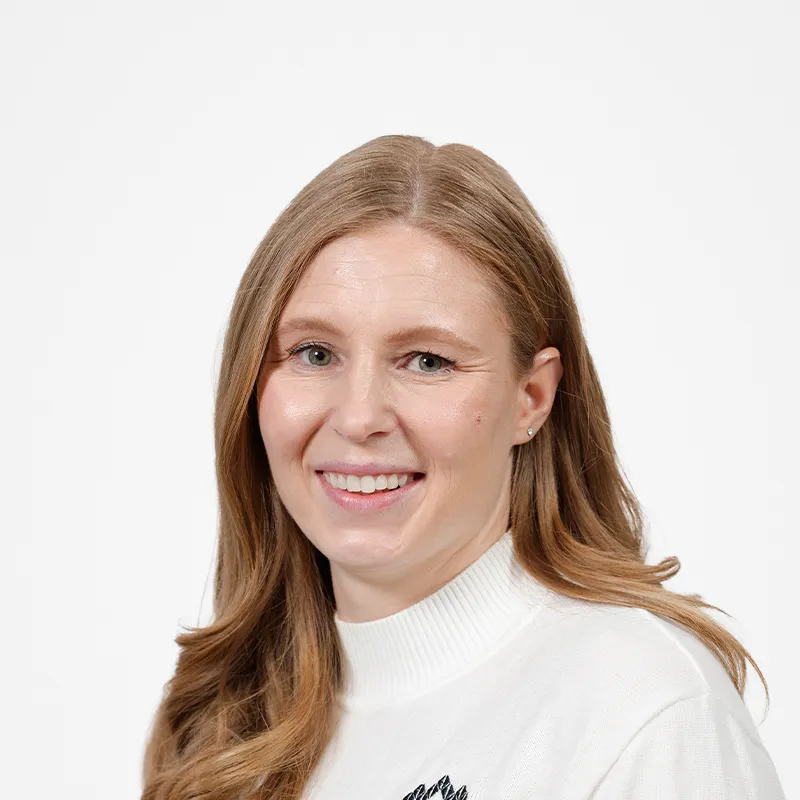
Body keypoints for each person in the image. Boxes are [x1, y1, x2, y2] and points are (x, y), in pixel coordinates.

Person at [140, 136, 786, 800]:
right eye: (314, 353)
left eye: (428, 361)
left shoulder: (645, 713)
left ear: (531, 398)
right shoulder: (222, 722)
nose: (359, 417)